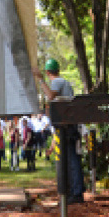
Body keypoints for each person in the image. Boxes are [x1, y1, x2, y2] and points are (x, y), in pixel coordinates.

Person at [34, 58, 85, 203]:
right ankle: (74, 191)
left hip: (66, 126)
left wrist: (40, 80)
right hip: (69, 124)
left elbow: (50, 96)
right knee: (71, 158)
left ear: (48, 72)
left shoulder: (57, 82)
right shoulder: (65, 83)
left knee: (70, 159)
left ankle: (74, 193)